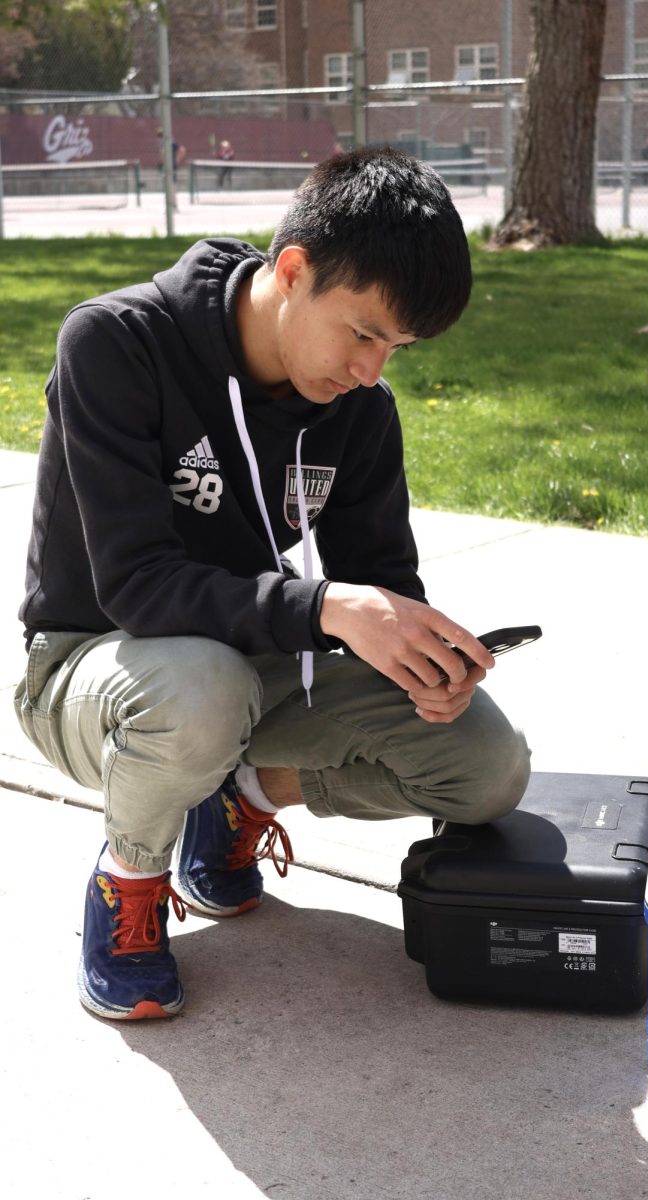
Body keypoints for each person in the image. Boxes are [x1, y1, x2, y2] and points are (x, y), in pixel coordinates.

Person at [14, 147, 530, 1022]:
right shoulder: (116, 343)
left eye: (396, 348)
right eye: (364, 334)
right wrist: (328, 607)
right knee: (201, 686)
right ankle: (130, 878)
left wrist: (422, 658)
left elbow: (380, 581)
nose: (372, 370)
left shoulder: (359, 407)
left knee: (486, 768)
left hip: (257, 667)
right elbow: (137, 587)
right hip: (92, 668)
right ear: (292, 271)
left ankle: (240, 799)